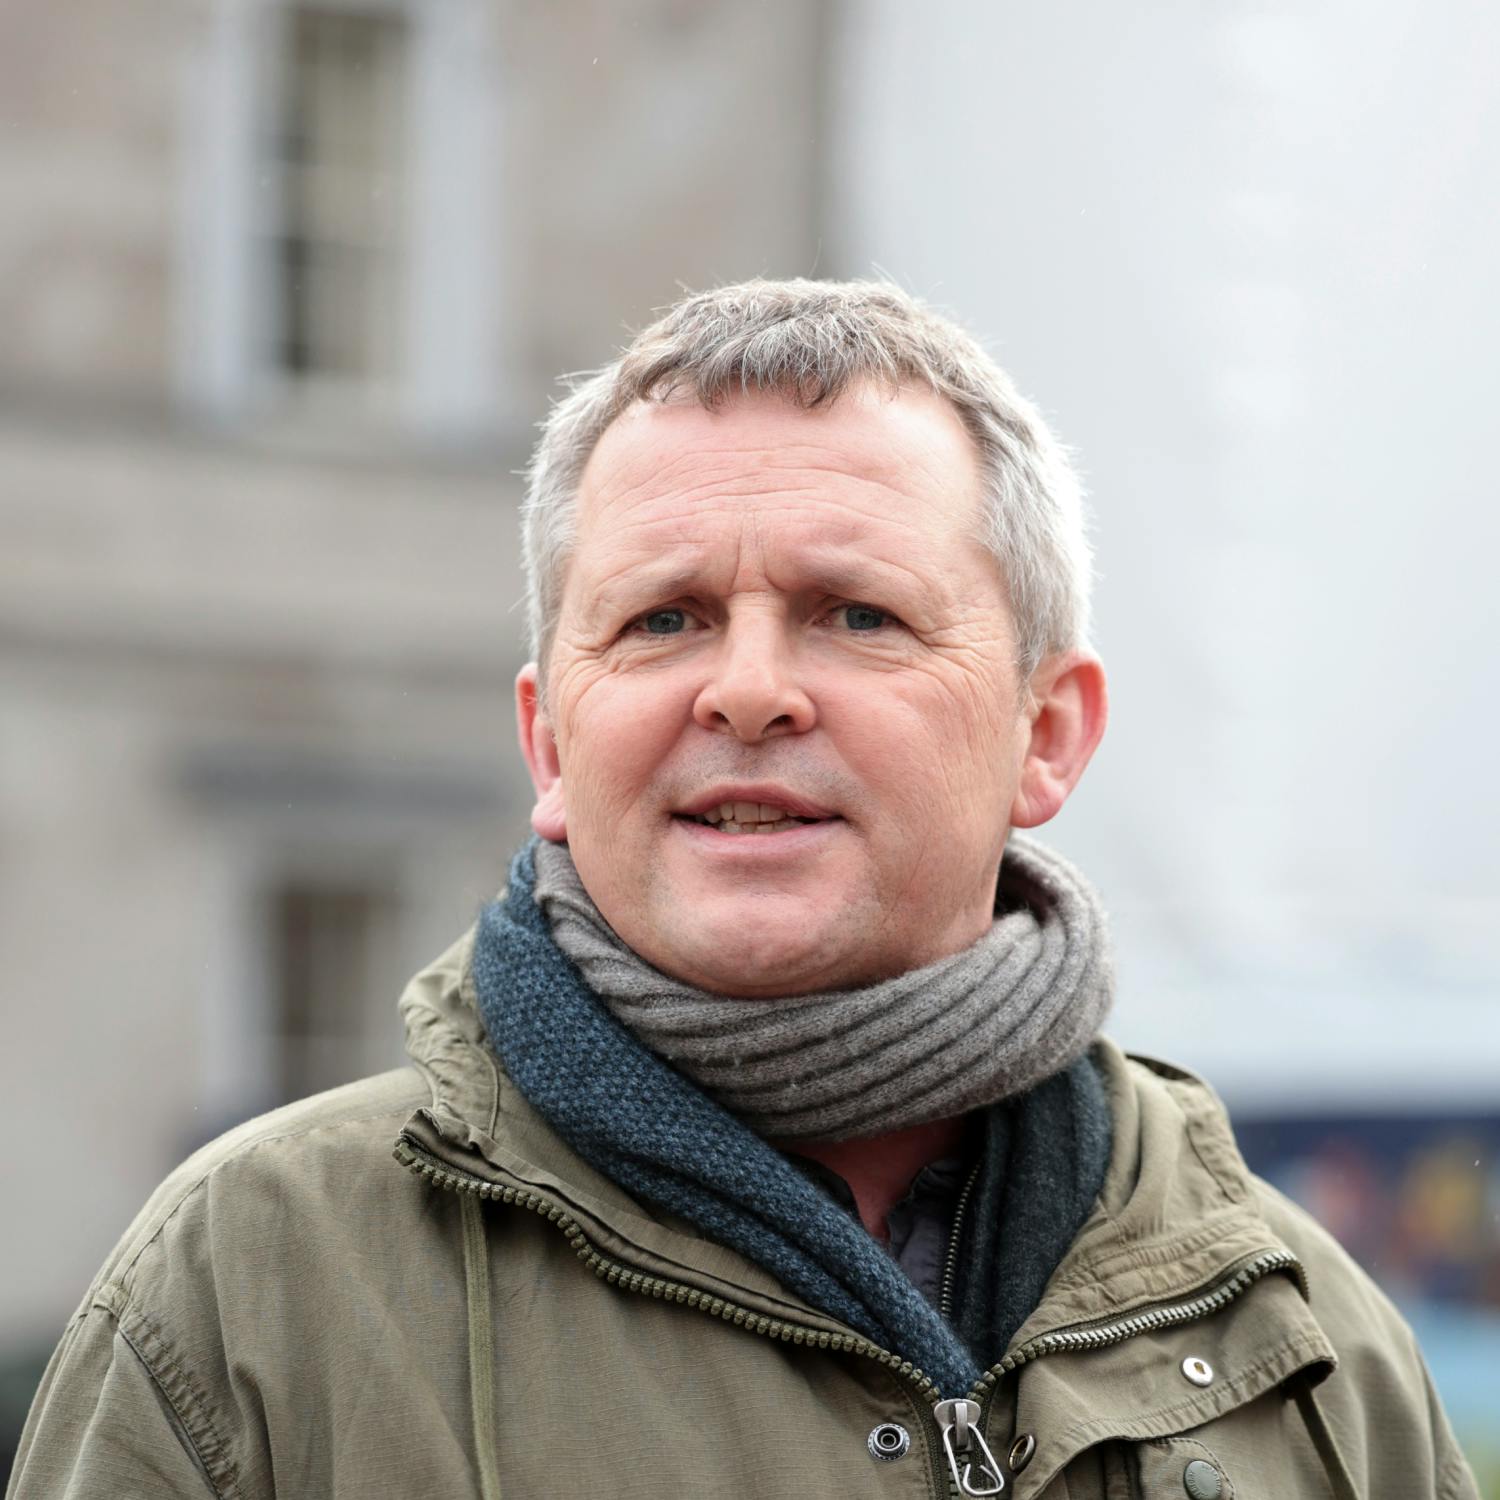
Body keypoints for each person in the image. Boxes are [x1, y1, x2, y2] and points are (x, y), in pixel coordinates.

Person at [8, 279, 1477, 1499]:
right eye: (664, 619)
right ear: (550, 741)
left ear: (1047, 733)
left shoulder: (1302, 1339)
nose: (753, 691)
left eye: (858, 614)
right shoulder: (257, 1292)